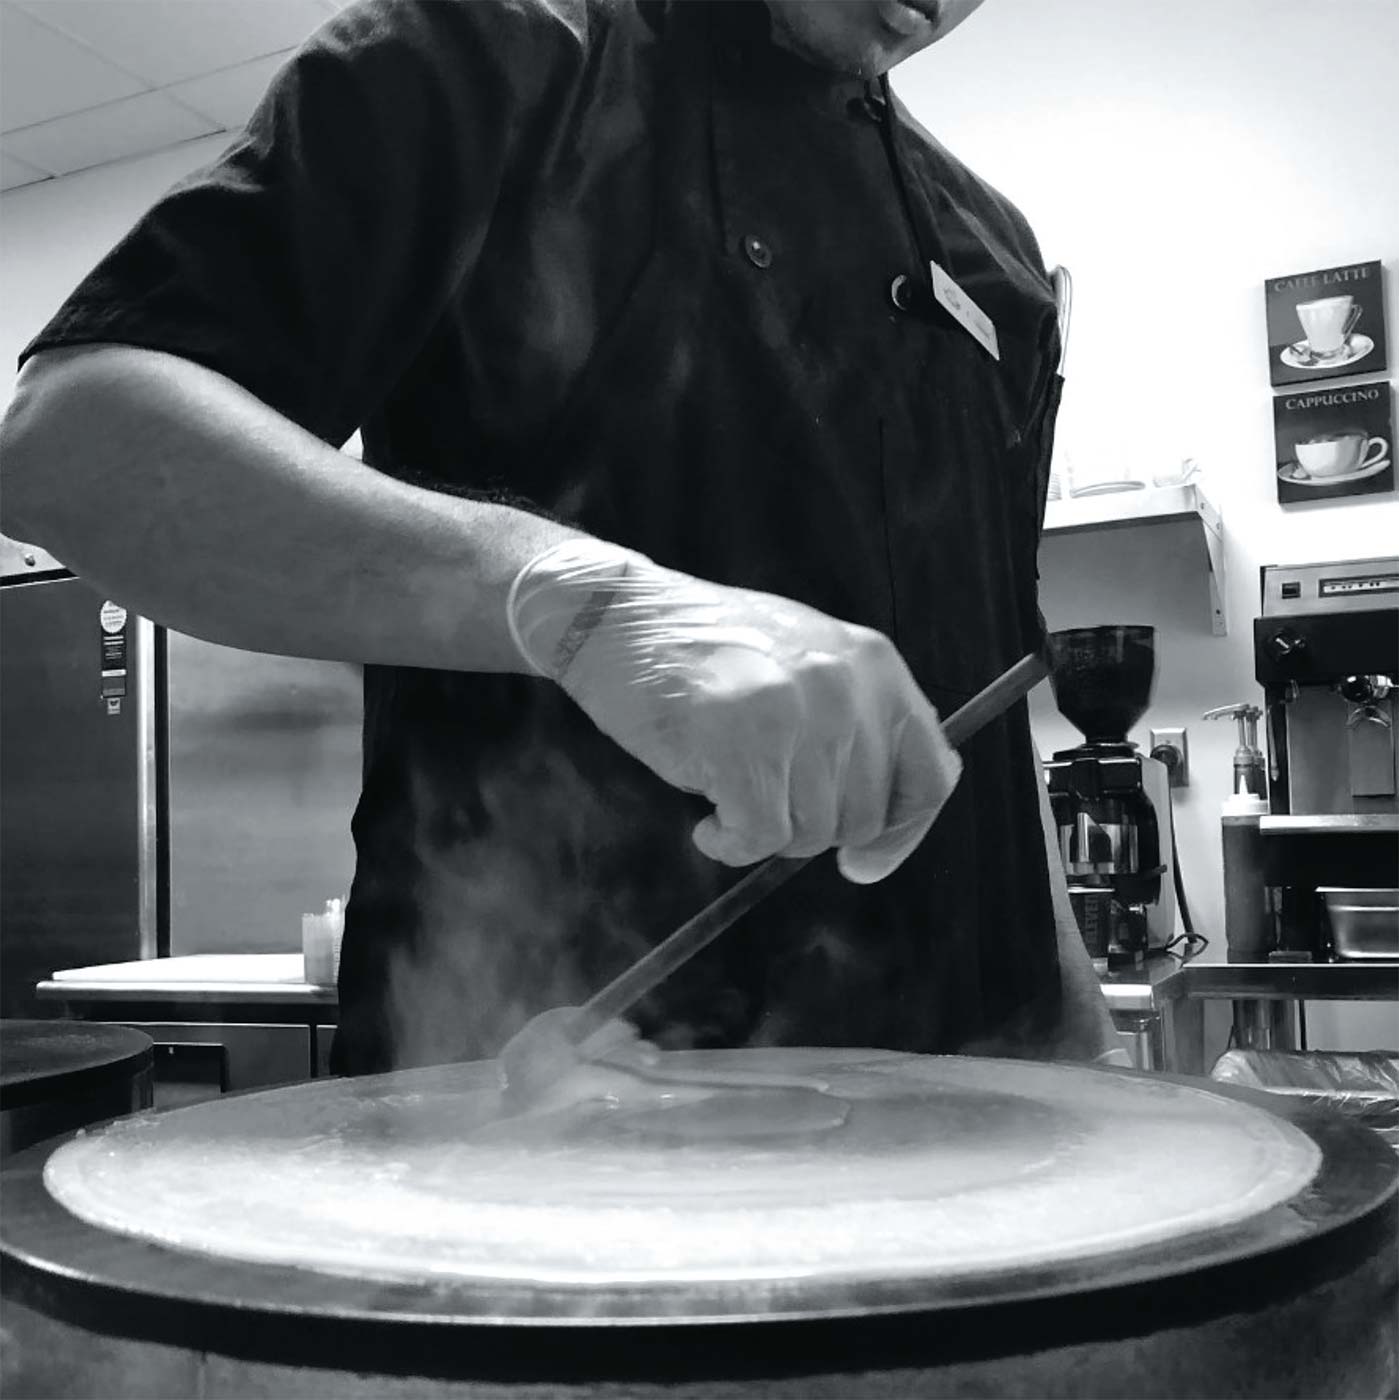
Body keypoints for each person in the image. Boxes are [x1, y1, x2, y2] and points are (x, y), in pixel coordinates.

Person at [0, 0, 1120, 1075]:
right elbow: (74, 442)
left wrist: (1075, 1028)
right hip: (542, 1090)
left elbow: (992, 692)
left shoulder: (998, 264)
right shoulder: (499, 55)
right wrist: (580, 604)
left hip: (971, 1122)